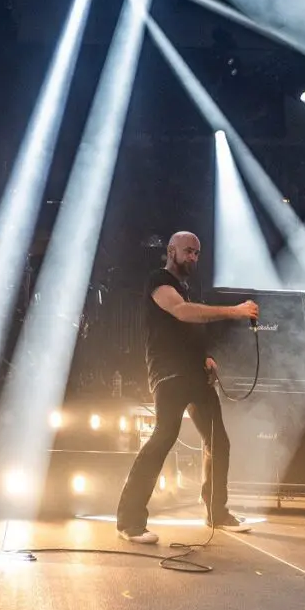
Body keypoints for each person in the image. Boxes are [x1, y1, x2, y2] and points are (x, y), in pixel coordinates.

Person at [115, 231, 258, 544]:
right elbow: (181, 312)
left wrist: (206, 357)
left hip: (195, 374)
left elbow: (186, 328)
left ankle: (216, 512)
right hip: (169, 375)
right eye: (188, 251)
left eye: (197, 253)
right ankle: (129, 520)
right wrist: (235, 311)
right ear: (171, 250)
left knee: (218, 442)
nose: (193, 257)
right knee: (164, 437)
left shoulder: (187, 288)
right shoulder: (159, 280)